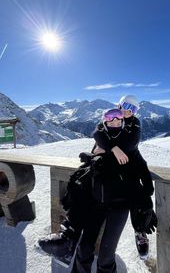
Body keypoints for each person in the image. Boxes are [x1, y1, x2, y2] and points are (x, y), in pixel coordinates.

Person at [38, 108, 157, 271]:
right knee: (84, 248)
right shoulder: (101, 141)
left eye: (118, 121)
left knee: (106, 256)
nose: (115, 124)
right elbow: (97, 143)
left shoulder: (130, 146)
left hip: (119, 206)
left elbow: (142, 168)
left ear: (123, 122)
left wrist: (147, 196)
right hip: (97, 201)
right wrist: (100, 154)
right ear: (105, 123)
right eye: (111, 121)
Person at [93, 95, 155, 260]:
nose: (128, 111)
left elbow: (130, 144)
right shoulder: (110, 115)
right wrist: (112, 148)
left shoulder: (135, 123)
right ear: (119, 105)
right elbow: (97, 133)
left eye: (132, 108)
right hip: (113, 165)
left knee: (142, 192)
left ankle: (140, 229)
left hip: (132, 158)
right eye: (125, 106)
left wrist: (107, 147)